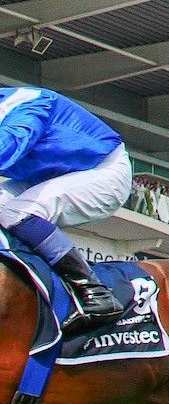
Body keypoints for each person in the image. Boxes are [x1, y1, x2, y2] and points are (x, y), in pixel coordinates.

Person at [0, 85, 133, 322]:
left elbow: (10, 143)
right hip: (47, 173)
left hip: (103, 170)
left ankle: (94, 290)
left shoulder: (24, 104)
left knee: (16, 212)